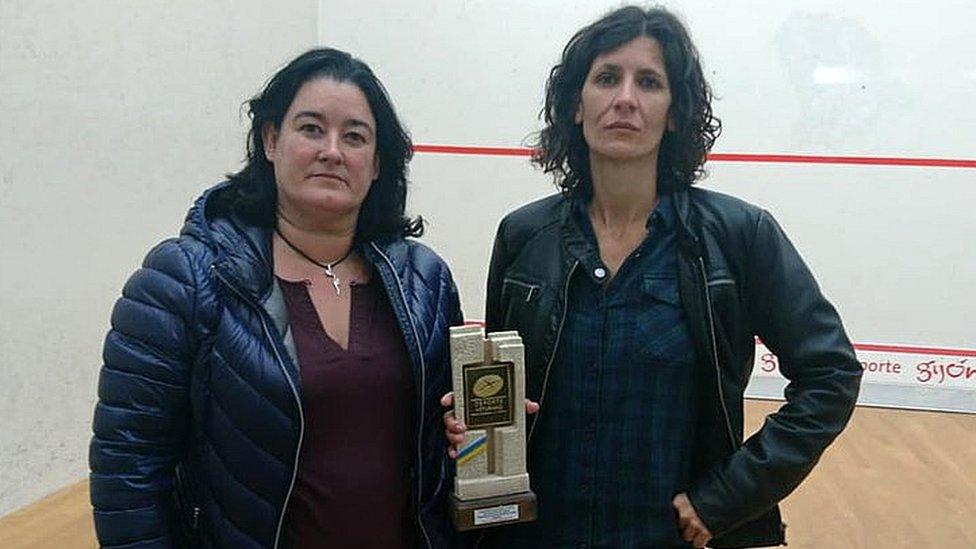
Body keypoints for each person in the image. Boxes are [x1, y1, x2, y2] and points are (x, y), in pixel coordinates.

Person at [443, 6, 862, 548]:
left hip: (669, 537)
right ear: (576, 104)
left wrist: (729, 495)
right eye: (606, 78)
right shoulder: (523, 236)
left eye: (649, 82)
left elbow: (830, 375)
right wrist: (474, 430)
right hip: (538, 534)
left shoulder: (740, 235)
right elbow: (507, 401)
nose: (625, 99)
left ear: (674, 112)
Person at [90, 48, 461, 548]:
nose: (333, 150)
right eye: (311, 129)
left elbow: (437, 446)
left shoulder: (426, 280)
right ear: (270, 140)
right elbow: (128, 468)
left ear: (376, 164)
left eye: (355, 136)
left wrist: (469, 431)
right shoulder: (182, 280)